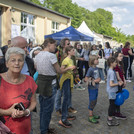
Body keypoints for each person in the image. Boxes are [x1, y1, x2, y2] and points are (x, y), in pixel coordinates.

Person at [0, 47, 37, 134]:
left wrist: (26, 112)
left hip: (25, 129)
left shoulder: (30, 80)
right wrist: (7, 112)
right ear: (6, 64)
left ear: (23, 63)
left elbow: (34, 102)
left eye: (20, 60)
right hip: (4, 130)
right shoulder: (0, 80)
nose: (17, 63)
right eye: (13, 60)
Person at [35, 38, 65, 134]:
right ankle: (44, 130)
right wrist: (66, 68)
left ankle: (44, 128)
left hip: (41, 84)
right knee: (47, 109)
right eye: (54, 45)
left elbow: (36, 68)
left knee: (43, 108)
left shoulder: (38, 54)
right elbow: (59, 71)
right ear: (49, 44)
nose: (55, 47)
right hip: (49, 85)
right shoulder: (51, 56)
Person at [55, 38, 77, 116]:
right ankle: (58, 108)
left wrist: (75, 72)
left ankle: (68, 106)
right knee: (59, 92)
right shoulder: (59, 53)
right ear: (63, 45)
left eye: (70, 43)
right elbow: (57, 65)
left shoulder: (71, 54)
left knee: (69, 92)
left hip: (70, 75)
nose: (70, 45)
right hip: (61, 75)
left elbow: (73, 63)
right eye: (68, 44)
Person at [58, 46, 76, 128]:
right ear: (68, 51)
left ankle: (66, 115)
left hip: (69, 79)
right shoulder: (65, 60)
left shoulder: (71, 60)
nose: (74, 52)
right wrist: (69, 68)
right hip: (65, 80)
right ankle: (63, 118)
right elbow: (61, 71)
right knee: (65, 99)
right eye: (73, 50)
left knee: (68, 98)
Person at [106, 57, 123, 126]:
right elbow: (111, 84)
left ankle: (110, 118)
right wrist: (118, 83)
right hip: (112, 91)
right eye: (115, 62)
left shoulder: (110, 70)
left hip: (111, 91)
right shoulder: (112, 72)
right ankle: (110, 120)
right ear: (111, 63)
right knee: (112, 105)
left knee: (112, 104)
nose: (116, 63)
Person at [85, 55, 101, 124]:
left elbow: (98, 77)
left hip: (96, 88)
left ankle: (92, 113)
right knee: (92, 101)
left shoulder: (96, 68)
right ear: (92, 61)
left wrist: (99, 79)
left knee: (95, 101)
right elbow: (86, 79)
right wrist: (93, 81)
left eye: (97, 59)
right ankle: (90, 116)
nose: (98, 61)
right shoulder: (90, 69)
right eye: (96, 59)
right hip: (92, 88)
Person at [114, 52, 126, 119]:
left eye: (122, 56)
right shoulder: (115, 65)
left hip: (121, 83)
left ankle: (117, 112)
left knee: (119, 97)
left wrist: (124, 81)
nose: (121, 57)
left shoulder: (121, 64)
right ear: (116, 57)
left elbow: (122, 74)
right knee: (117, 98)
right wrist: (121, 81)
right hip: (117, 84)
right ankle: (116, 113)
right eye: (120, 56)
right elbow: (117, 75)